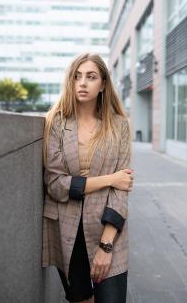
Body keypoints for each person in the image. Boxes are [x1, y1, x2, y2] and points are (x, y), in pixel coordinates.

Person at [42, 53, 134, 303]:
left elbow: (122, 188)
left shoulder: (119, 126)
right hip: (66, 230)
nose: (82, 83)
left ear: (103, 84)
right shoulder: (56, 123)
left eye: (91, 77)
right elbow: (55, 185)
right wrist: (108, 179)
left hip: (108, 229)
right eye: (77, 76)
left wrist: (106, 246)